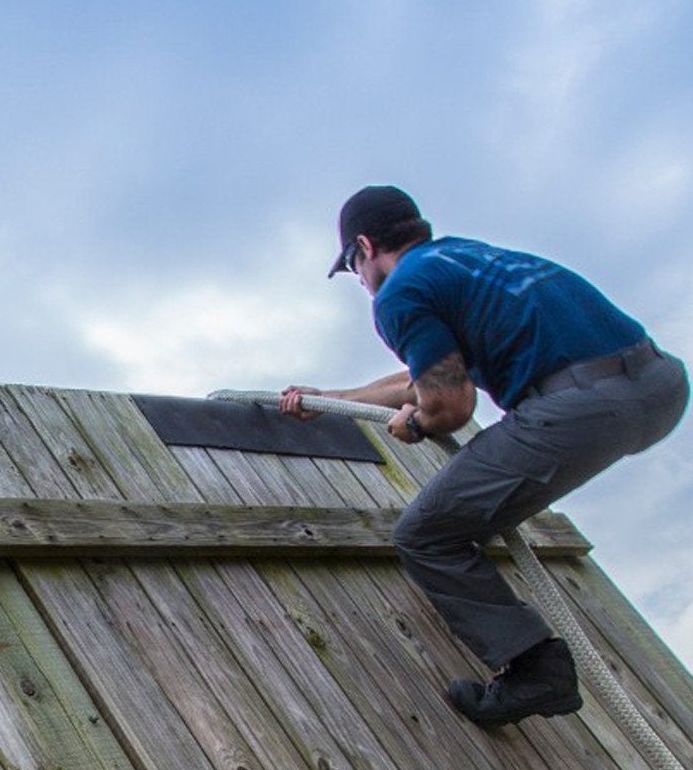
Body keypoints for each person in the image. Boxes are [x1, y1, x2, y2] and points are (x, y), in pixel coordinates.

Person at [281, 185, 687, 726]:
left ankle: (536, 669)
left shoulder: (399, 293)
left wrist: (422, 421)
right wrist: (331, 399)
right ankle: (532, 659)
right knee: (470, 501)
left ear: (365, 245)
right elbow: (423, 378)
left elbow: (448, 404)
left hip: (583, 407)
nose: (359, 278)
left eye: (354, 264)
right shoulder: (469, 259)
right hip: (658, 383)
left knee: (425, 534)